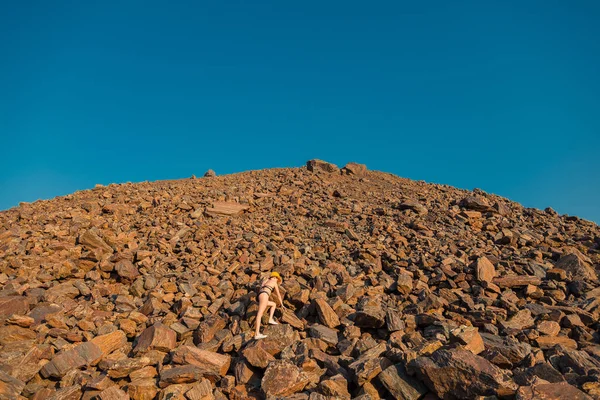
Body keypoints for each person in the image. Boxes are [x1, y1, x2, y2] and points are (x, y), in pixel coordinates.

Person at [254, 271, 285, 339]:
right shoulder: (274, 282)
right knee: (259, 314)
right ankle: (257, 334)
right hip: (265, 295)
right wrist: (282, 304)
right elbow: (279, 295)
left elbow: (261, 287)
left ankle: (270, 319)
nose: (277, 280)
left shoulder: (265, 280)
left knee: (273, 304)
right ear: (275, 277)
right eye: (277, 278)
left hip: (260, 295)